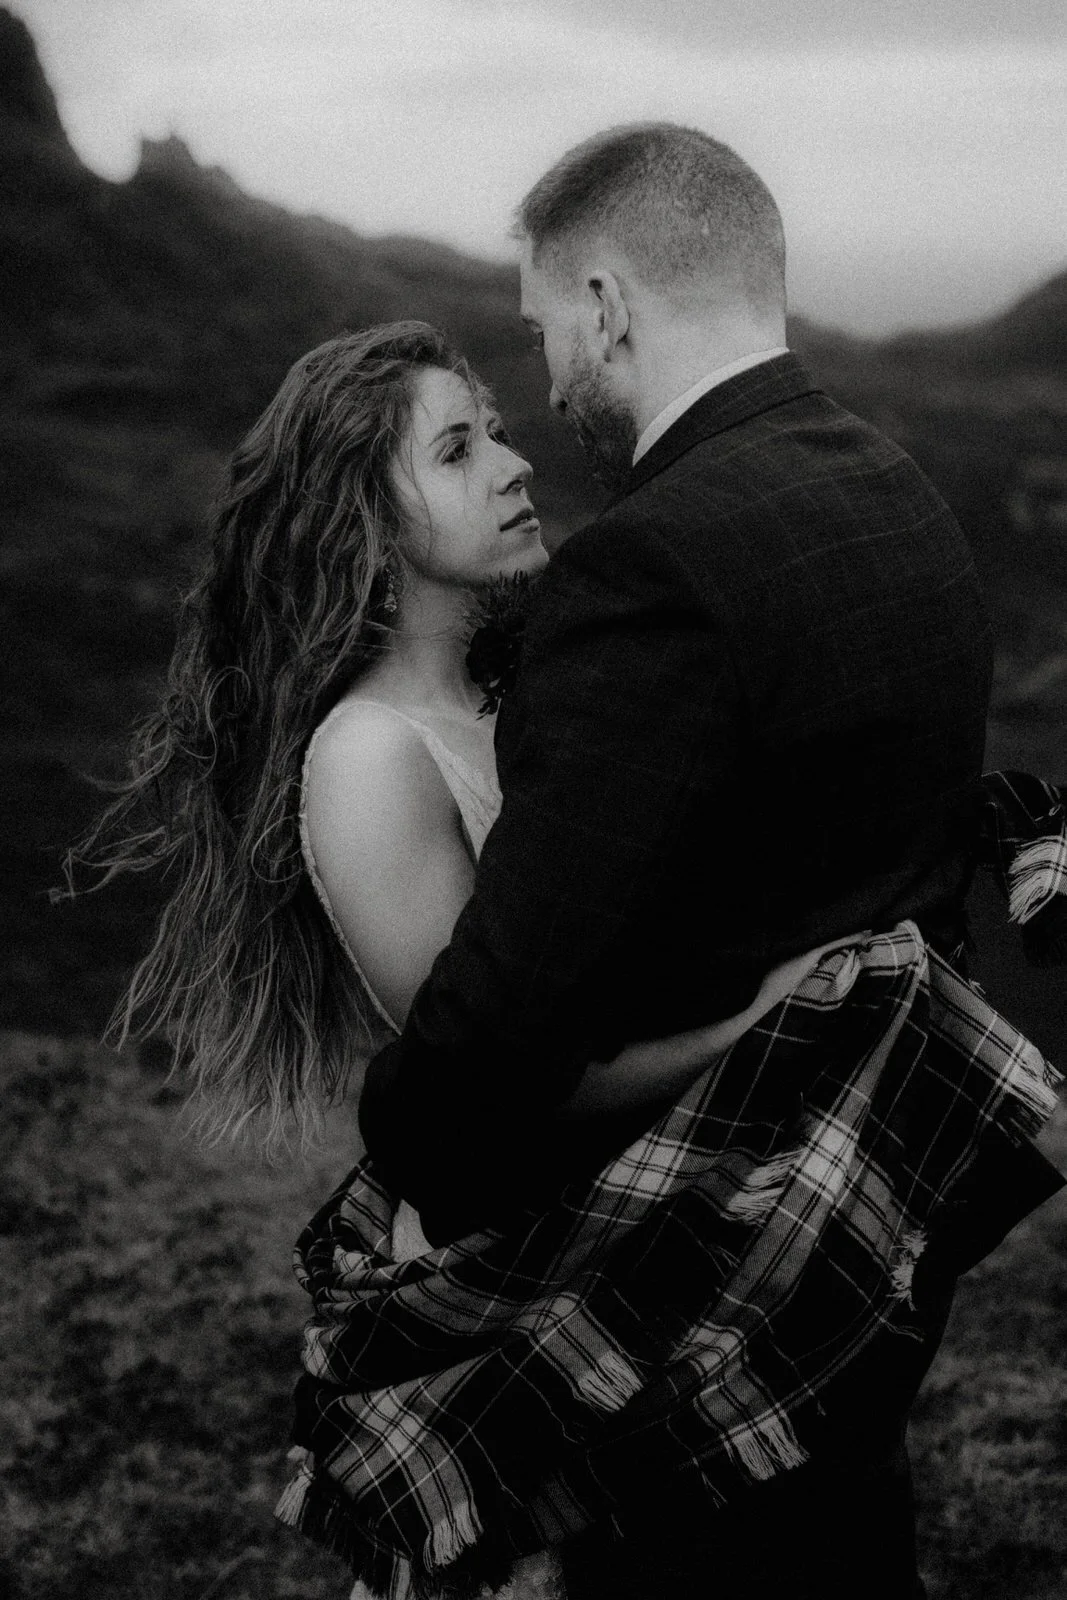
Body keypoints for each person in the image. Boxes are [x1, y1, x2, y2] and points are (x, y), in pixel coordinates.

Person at [322, 124, 1066, 1599]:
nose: (548, 384)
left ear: (606, 304)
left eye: (543, 330)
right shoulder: (894, 487)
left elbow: (509, 1012)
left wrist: (391, 1167)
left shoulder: (648, 564)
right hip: (863, 1252)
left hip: (693, 1302)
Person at [72, 318, 829, 1599]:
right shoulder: (370, 757)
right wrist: (758, 1019)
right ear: (366, 523)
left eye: (500, 431)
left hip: (643, 1244)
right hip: (511, 1288)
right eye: (458, 449)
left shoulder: (515, 695)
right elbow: (496, 1089)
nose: (516, 465)